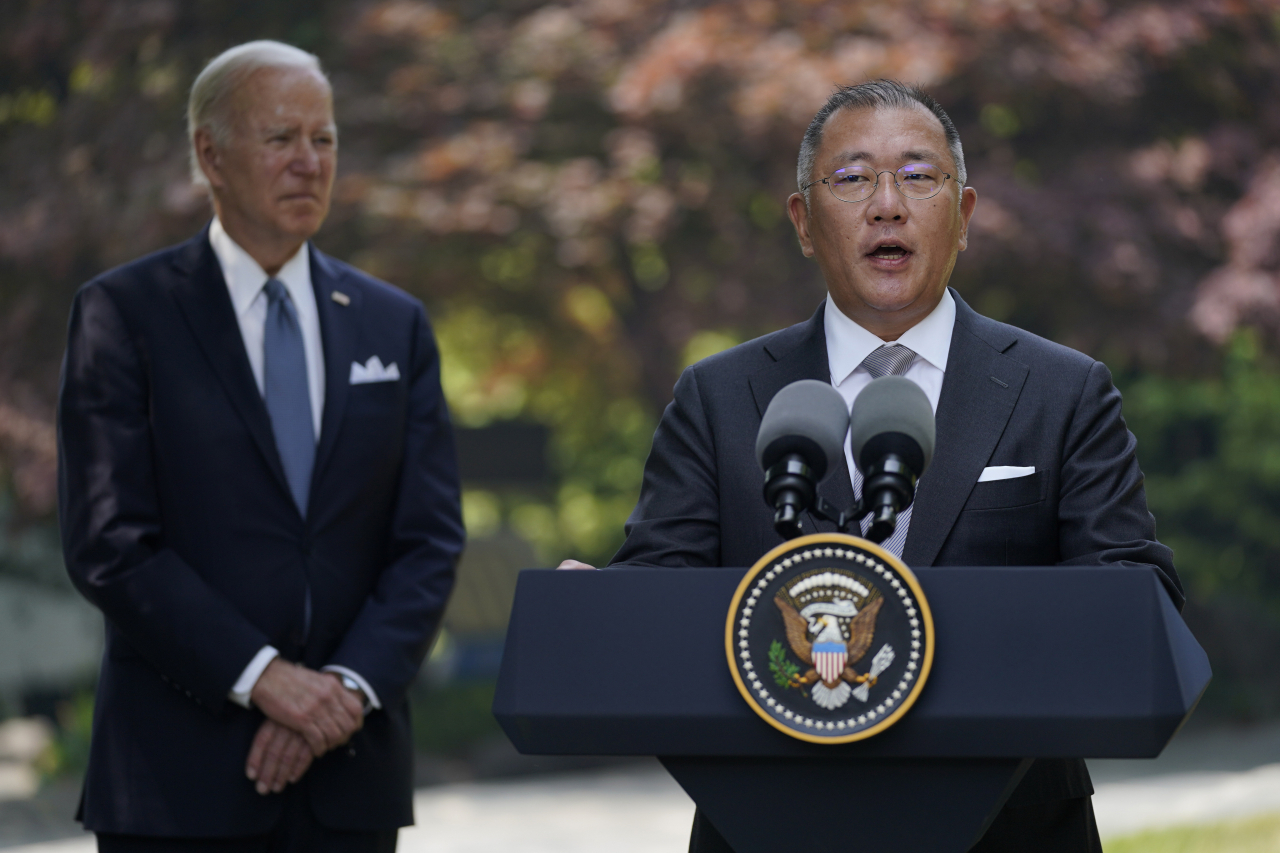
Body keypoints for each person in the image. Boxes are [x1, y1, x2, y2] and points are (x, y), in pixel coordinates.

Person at [560, 80, 1183, 852]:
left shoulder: (1062, 390)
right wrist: (599, 607)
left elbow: (1138, 593)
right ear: (803, 221)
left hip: (1012, 827)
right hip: (771, 822)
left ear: (964, 215)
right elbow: (664, 582)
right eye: (851, 178)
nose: (887, 204)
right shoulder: (720, 396)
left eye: (919, 176)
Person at [57, 41, 464, 852]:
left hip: (351, 777)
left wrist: (340, 693)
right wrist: (265, 680)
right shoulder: (124, 313)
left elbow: (428, 540)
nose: (309, 163)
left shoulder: (393, 322)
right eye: (281, 138)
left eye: (325, 139)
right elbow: (111, 543)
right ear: (210, 152)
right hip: (177, 783)